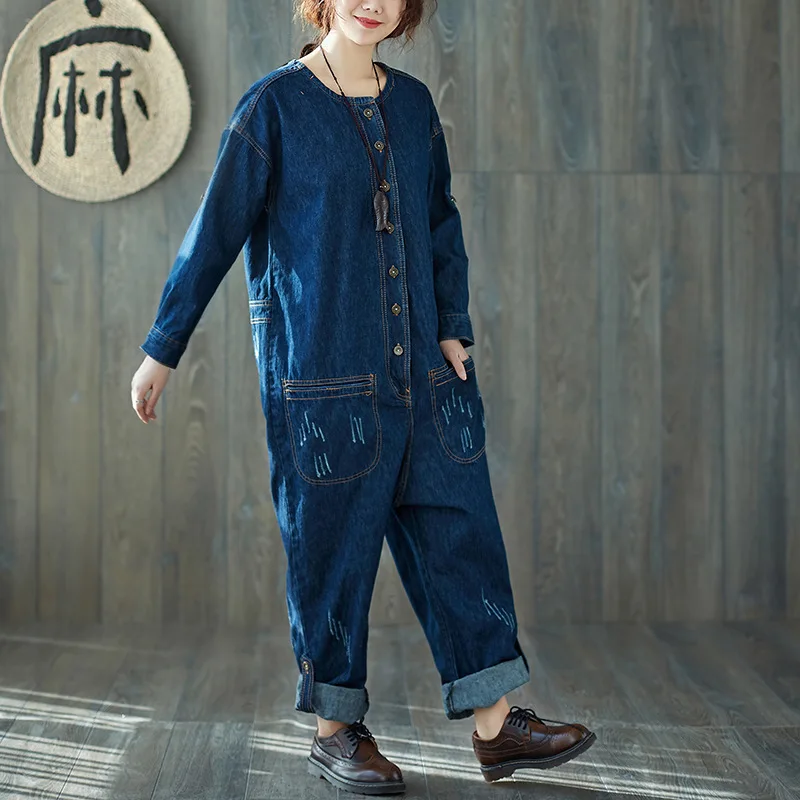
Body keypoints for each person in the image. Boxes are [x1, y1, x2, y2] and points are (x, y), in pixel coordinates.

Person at [130, 0, 595, 793]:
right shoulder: (273, 108)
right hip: (326, 385)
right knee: (331, 554)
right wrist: (161, 349)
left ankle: (496, 727)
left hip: (427, 377)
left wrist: (453, 326)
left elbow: (440, 219)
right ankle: (335, 730)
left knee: (461, 536)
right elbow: (214, 230)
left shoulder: (413, 106)